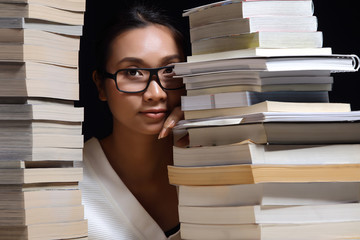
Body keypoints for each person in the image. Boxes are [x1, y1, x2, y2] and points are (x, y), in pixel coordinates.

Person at [79, 3, 186, 239]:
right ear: (100, 85)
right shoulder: (68, 185)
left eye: (170, 70)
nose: (155, 93)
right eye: (133, 72)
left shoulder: (215, 160)